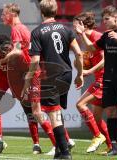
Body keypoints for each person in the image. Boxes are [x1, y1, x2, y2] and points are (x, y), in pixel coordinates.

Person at [1, 3, 75, 155]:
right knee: (45, 111)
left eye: (4, 13)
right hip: (37, 72)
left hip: (35, 73)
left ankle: (60, 145)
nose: (2, 16)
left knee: (38, 111)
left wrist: (0, 61)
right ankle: (64, 141)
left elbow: (17, 51)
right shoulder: (21, 29)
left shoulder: (17, 29)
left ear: (12, 14)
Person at [21, 0, 84, 159]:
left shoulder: (37, 32)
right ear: (55, 11)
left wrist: (27, 82)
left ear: (41, 12)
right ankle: (59, 150)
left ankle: (64, 151)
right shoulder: (66, 29)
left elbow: (35, 61)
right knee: (56, 110)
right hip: (67, 73)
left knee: (53, 113)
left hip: (51, 76)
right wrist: (80, 74)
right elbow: (79, 53)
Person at [75, 5, 117, 156]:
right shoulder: (106, 35)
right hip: (108, 81)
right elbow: (91, 48)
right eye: (103, 19)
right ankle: (114, 148)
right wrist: (82, 34)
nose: (105, 22)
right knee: (110, 113)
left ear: (116, 17)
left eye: (107, 19)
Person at [73, 12, 113, 154]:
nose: (74, 27)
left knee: (80, 104)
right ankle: (111, 146)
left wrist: (89, 72)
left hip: (104, 79)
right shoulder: (85, 39)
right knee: (96, 117)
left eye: (76, 24)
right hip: (100, 78)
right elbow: (90, 57)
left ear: (83, 25)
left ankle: (97, 136)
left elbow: (105, 59)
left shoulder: (95, 36)